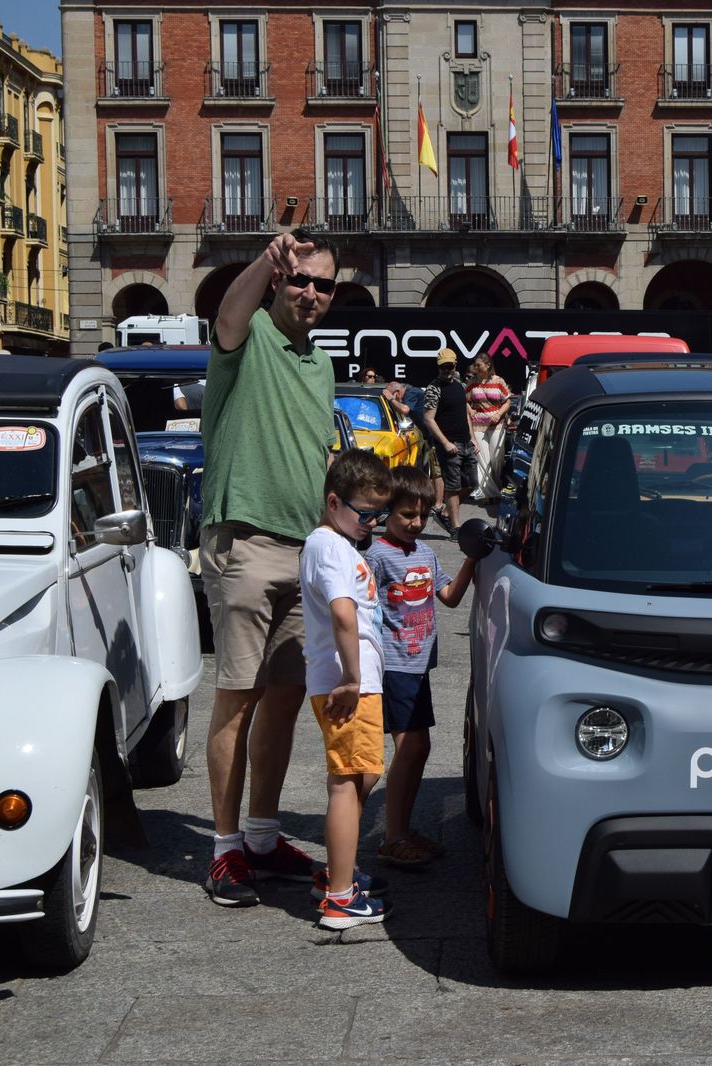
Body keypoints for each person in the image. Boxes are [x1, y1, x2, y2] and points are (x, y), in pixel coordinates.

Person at [199, 228, 340, 907]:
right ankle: (224, 850)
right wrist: (265, 261)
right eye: (299, 279)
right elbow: (227, 316)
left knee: (283, 699)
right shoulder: (248, 338)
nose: (309, 292)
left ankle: (260, 834)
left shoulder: (320, 363)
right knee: (236, 699)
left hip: (304, 550)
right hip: (246, 544)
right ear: (281, 283)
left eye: (323, 284)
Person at [301, 448, 394, 929]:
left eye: (380, 514)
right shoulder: (332, 548)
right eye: (365, 513)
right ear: (334, 502)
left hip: (353, 682)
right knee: (347, 781)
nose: (373, 523)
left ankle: (338, 873)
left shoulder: (335, 545)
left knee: (361, 775)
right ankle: (340, 897)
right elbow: (343, 612)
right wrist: (353, 679)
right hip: (348, 685)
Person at [366, 466, 475, 867]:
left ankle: (402, 829)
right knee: (410, 747)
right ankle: (392, 837)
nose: (415, 523)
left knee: (419, 748)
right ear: (385, 514)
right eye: (406, 515)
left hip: (418, 665)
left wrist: (472, 563)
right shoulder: (377, 556)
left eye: (422, 515)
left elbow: (449, 596)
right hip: (394, 665)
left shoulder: (425, 554)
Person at [420, 349, 475, 535]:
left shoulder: (459, 385)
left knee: (471, 484)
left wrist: (473, 438)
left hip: (466, 442)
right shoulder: (433, 389)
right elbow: (428, 419)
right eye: (443, 367)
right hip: (450, 444)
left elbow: (465, 413)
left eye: (449, 366)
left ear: (455, 364)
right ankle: (456, 527)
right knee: (453, 486)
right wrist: (444, 443)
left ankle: (445, 512)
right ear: (438, 367)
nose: (446, 370)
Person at [466, 355, 512, 503]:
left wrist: (499, 414)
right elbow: (465, 400)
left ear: (487, 365)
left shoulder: (499, 381)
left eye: (478, 365)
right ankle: (487, 494)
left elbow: (507, 402)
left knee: (496, 459)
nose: (476, 367)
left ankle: (495, 487)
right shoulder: (472, 383)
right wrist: (470, 409)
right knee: (482, 460)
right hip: (478, 425)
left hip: (496, 425)